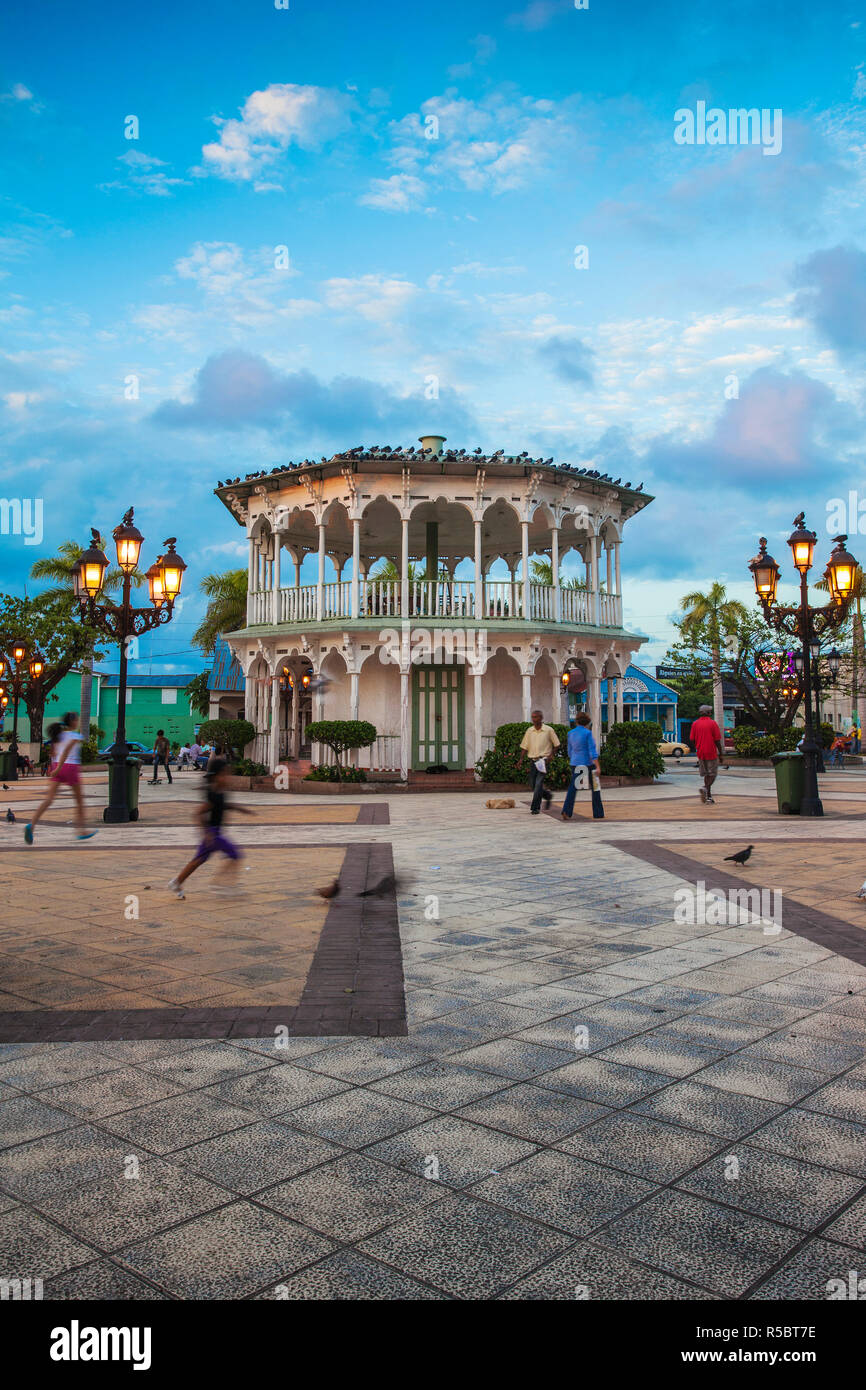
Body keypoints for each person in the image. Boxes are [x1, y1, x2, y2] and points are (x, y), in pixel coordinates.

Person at [167, 758, 254, 898]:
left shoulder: (219, 792)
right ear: (216, 776)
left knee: (198, 860)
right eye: (224, 774)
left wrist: (241, 809)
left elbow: (225, 806)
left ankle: (177, 882)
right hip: (213, 834)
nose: (227, 777)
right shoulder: (213, 795)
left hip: (214, 833)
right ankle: (220, 884)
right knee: (236, 855)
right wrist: (207, 834)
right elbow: (199, 813)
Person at [24, 712, 96, 844]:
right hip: (70, 768)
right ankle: (81, 830)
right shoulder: (75, 736)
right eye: (77, 720)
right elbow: (67, 751)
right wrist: (59, 767)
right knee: (79, 802)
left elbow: (53, 753)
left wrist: (55, 768)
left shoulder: (58, 736)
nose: (78, 722)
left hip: (56, 766)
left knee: (49, 800)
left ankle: (31, 825)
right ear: (73, 722)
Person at [517, 709, 560, 814]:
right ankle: (547, 795)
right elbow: (524, 746)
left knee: (538, 783)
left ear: (541, 718)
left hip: (544, 761)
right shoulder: (529, 731)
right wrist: (521, 759)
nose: (534, 719)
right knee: (533, 784)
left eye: (536, 717)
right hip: (533, 761)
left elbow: (557, 744)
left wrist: (551, 755)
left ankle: (535, 807)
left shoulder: (548, 730)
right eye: (533, 717)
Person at [560, 712, 599, 819]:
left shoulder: (570, 733)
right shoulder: (587, 733)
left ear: (576, 721)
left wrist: (574, 758)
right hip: (589, 763)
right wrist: (598, 766)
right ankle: (598, 812)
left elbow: (569, 751)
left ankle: (566, 811)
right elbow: (592, 751)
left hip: (575, 762)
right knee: (595, 788)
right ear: (587, 722)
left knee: (573, 787)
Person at [691, 704, 723, 804]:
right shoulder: (713, 723)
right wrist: (721, 753)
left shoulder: (695, 724)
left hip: (700, 752)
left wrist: (698, 746)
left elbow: (692, 739)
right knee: (712, 774)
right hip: (711, 752)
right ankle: (705, 788)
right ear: (709, 713)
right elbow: (717, 740)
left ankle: (708, 796)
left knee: (706, 774)